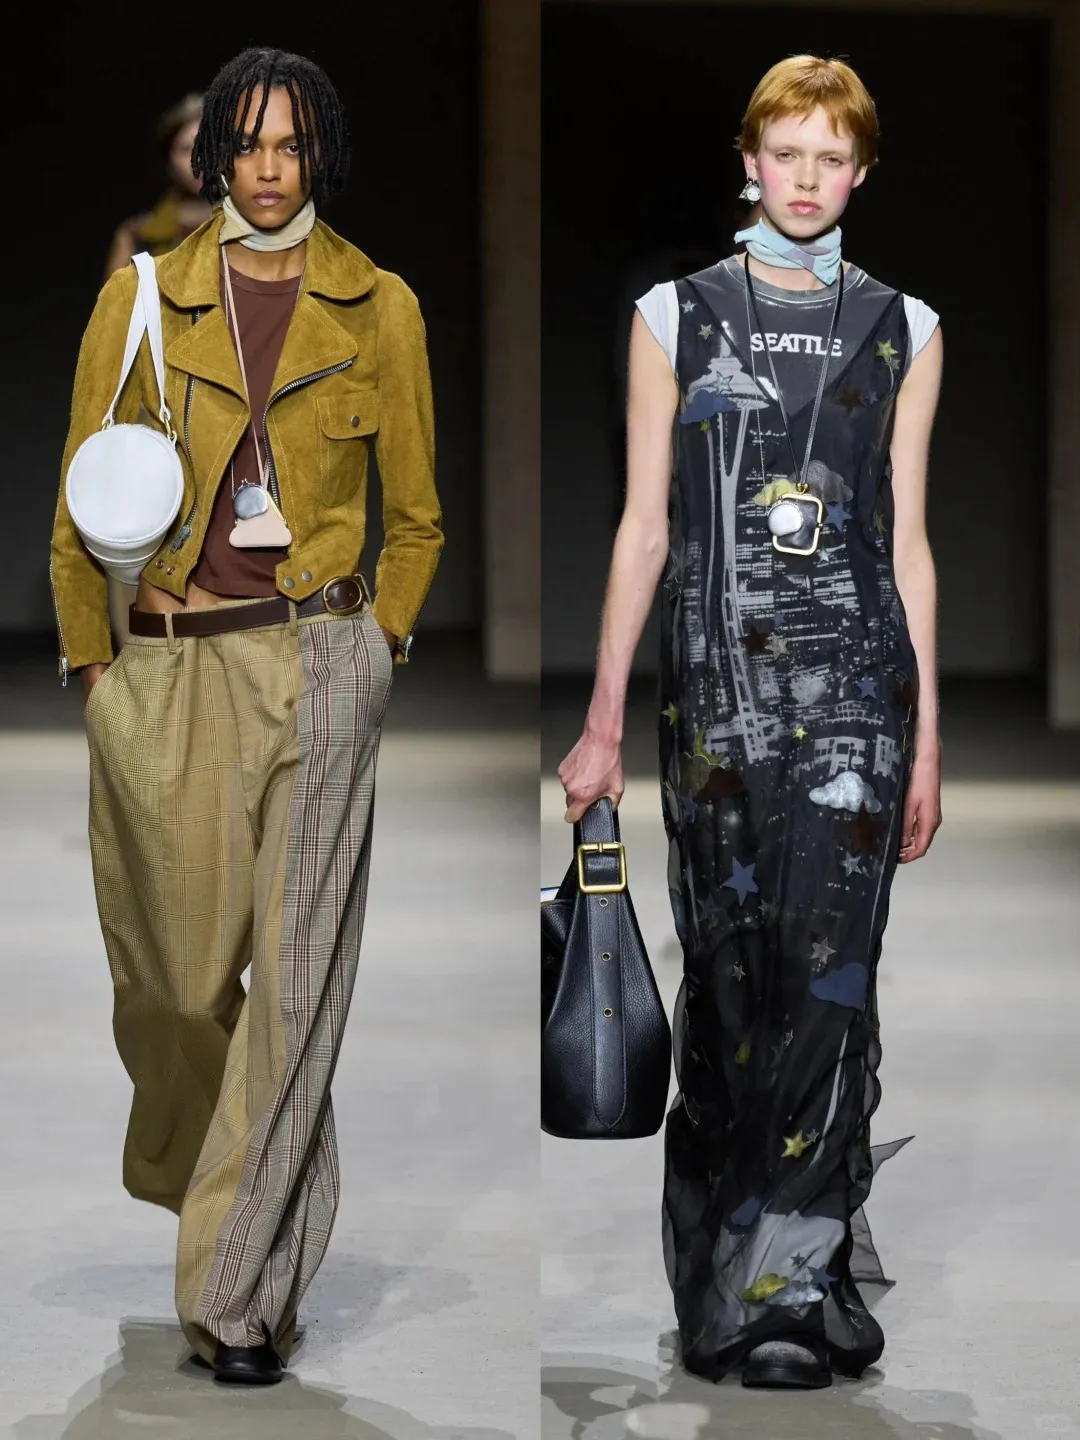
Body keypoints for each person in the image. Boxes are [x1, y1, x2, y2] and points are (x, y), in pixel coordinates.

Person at [50, 47, 443, 1385]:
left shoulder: (380, 307)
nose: (270, 169)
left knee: (298, 978)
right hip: (171, 669)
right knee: (173, 982)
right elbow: (73, 511)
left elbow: (419, 515)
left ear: (319, 154)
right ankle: (231, 1179)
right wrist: (99, 677)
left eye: (292, 144)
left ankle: (239, 1295)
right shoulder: (142, 299)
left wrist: (378, 645)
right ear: (214, 152)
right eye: (249, 143)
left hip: (322, 656)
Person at [559, 55, 942, 1391]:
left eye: (831, 157)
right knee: (732, 987)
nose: (806, 178)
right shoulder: (674, 316)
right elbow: (644, 527)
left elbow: (908, 542)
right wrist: (602, 720)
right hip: (716, 699)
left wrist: (927, 738)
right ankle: (719, 1275)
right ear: (749, 159)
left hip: (858, 699)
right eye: (787, 152)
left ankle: (791, 1296)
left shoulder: (905, 327)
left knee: (830, 987)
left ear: (861, 172)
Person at [104, 92, 214, 280]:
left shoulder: (256, 225)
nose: (199, 160)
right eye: (186, 149)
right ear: (170, 159)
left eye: (210, 146)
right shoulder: (138, 235)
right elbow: (115, 298)